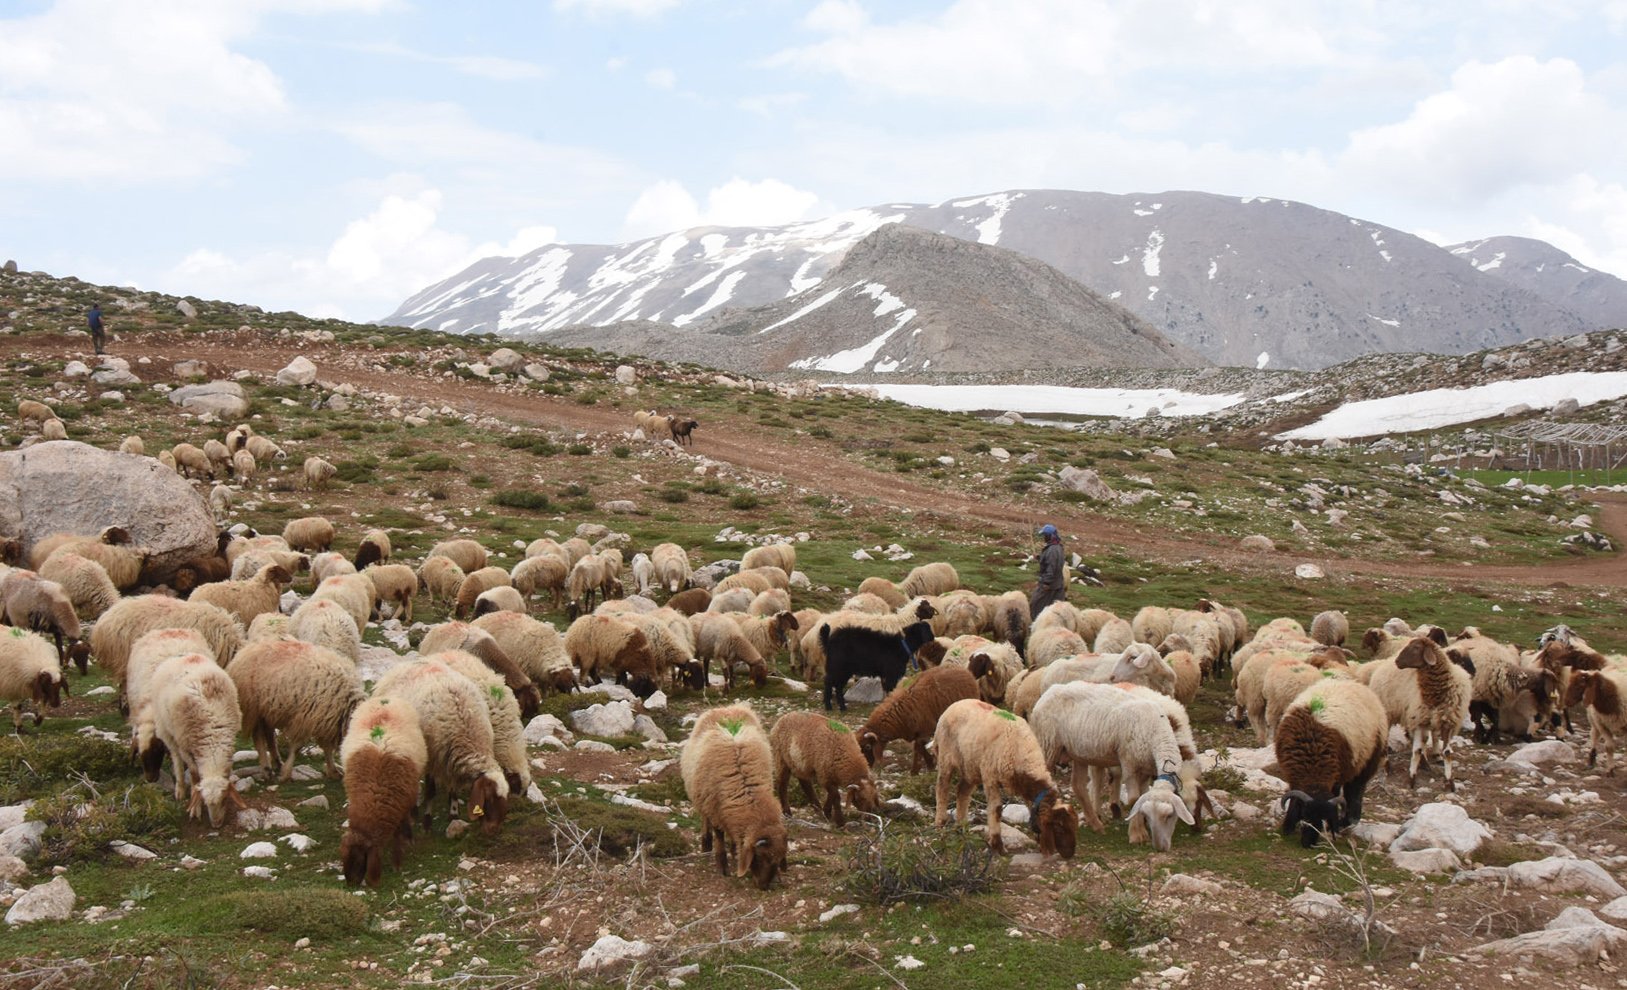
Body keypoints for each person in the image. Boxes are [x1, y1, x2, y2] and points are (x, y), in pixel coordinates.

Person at [1029, 523, 1067, 619]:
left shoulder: (1052, 550)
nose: (1044, 538)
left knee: (1035, 604)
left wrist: (1046, 583)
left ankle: (1036, 626)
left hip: (1050, 585)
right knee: (1056, 610)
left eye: (1045, 536)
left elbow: (1051, 567)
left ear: (1050, 536)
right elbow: (1052, 562)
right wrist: (1039, 557)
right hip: (1058, 584)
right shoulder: (1058, 547)